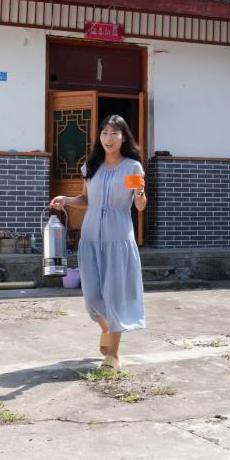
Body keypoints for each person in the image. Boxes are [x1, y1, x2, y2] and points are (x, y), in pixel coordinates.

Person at [49, 114, 146, 371]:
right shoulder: (92, 166)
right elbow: (86, 199)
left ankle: (113, 355)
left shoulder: (132, 168)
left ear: (123, 137)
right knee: (92, 297)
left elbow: (139, 205)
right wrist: (66, 200)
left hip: (118, 237)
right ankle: (106, 328)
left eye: (114, 133)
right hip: (90, 237)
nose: (108, 138)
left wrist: (140, 193)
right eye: (104, 133)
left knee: (115, 296)